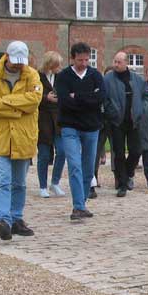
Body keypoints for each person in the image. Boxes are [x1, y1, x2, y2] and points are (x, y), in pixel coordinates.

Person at [0, 41, 42, 240]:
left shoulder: (32, 75)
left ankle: (16, 218)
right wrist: (19, 109)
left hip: (23, 137)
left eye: (21, 62)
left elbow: (34, 101)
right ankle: (3, 221)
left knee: (19, 183)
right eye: (15, 61)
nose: (18, 65)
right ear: (6, 57)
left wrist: (6, 103)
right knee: (1, 182)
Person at [56, 42, 105, 221]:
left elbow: (101, 97)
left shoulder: (95, 75)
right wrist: (88, 99)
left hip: (92, 127)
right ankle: (78, 206)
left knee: (88, 168)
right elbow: (64, 101)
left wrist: (77, 96)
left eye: (86, 60)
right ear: (72, 58)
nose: (83, 63)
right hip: (70, 126)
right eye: (80, 60)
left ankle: (81, 203)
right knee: (74, 165)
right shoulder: (63, 76)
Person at [104, 52, 147, 197]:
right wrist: (111, 112)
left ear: (126, 63)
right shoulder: (108, 79)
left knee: (136, 151)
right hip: (117, 121)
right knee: (119, 153)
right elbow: (104, 98)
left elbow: (145, 95)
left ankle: (128, 173)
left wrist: (141, 109)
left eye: (119, 62)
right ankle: (122, 184)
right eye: (115, 61)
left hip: (134, 121)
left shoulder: (137, 79)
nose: (116, 64)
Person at [37, 51, 67, 198]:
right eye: (56, 65)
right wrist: (45, 98)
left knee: (62, 151)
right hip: (43, 120)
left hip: (58, 120)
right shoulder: (37, 77)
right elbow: (32, 96)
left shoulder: (61, 77)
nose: (59, 68)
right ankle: (42, 186)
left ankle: (55, 182)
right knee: (43, 154)